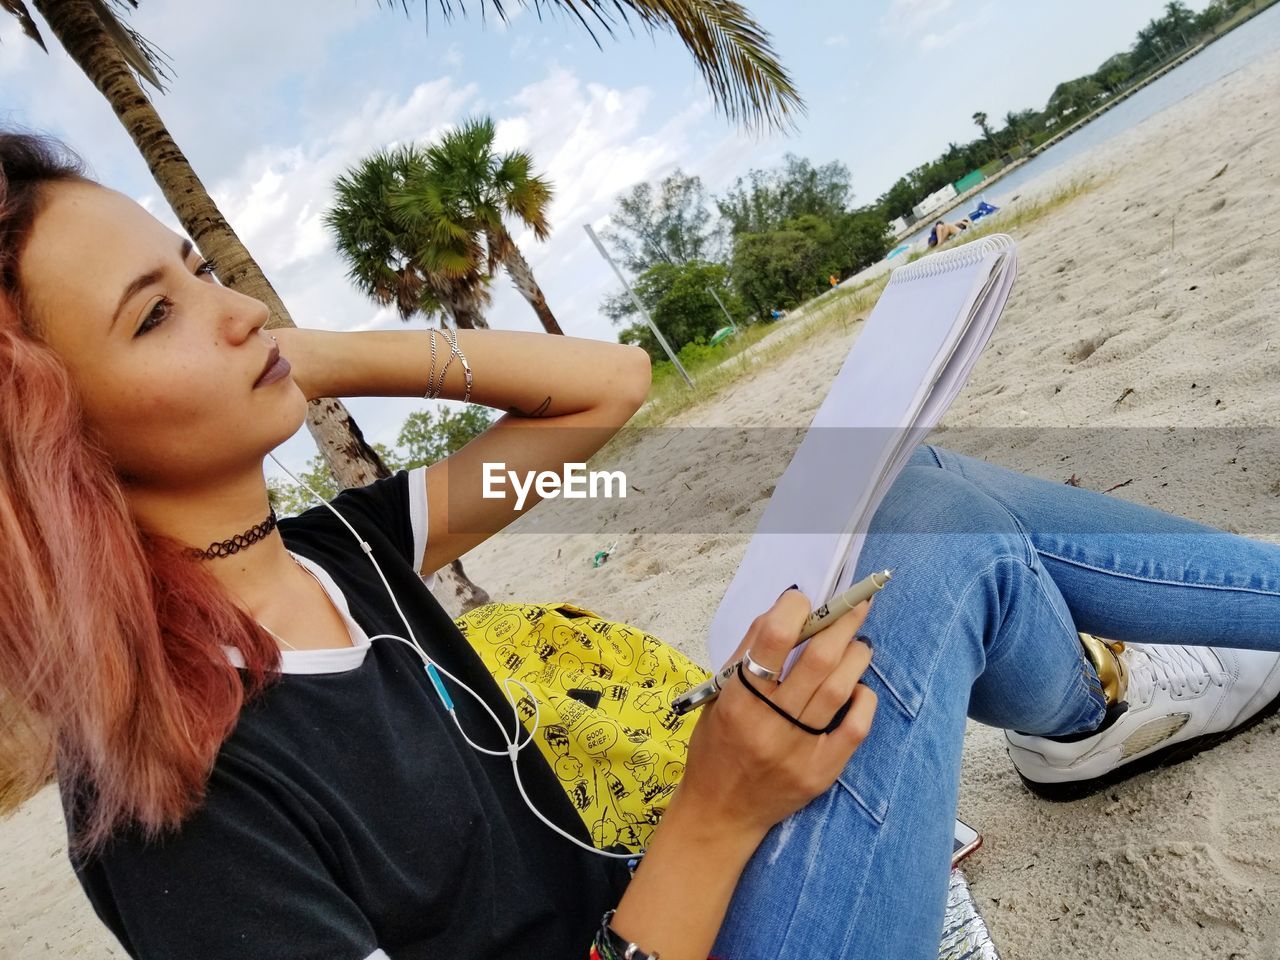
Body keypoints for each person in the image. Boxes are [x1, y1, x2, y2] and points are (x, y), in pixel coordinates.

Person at [2, 129, 1279, 960]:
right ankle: (1093, 716)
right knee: (932, 526)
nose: (232, 312)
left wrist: (309, 351)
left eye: (199, 266)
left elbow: (600, 389)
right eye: (157, 312)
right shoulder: (171, 797)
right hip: (678, 913)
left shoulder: (347, 553)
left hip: (679, 909)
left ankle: (1085, 721)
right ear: (51, 449)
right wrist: (717, 815)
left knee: (912, 491)